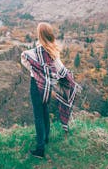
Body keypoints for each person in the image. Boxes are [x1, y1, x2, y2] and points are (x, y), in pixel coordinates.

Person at [21, 22, 80, 158]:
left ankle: (40, 149)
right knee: (45, 111)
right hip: (48, 86)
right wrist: (67, 79)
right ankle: (46, 137)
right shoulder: (53, 50)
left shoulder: (37, 50)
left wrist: (37, 72)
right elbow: (60, 69)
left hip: (37, 85)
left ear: (40, 34)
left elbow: (24, 58)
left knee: (38, 116)